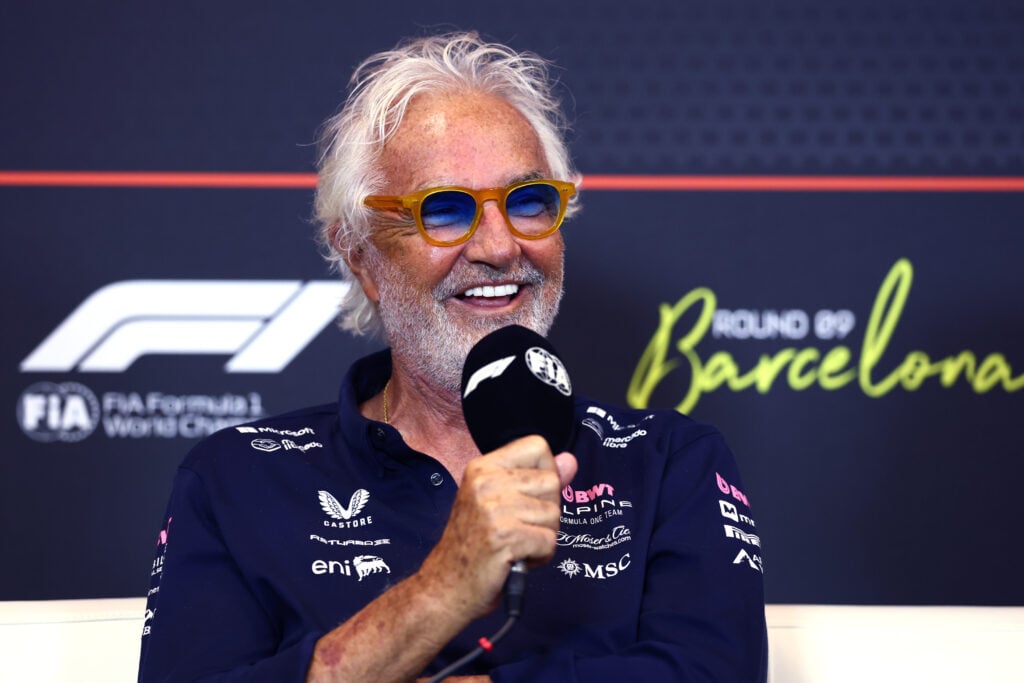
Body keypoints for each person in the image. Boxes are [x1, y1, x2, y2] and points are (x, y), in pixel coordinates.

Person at [137, 32, 768, 682]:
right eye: (444, 211)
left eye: (528, 202)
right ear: (361, 255)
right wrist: (443, 587)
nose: (499, 247)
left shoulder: (668, 463)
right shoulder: (237, 479)